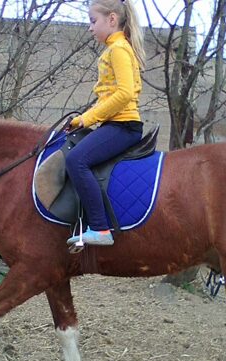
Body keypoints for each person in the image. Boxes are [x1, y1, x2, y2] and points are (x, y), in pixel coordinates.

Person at [66, 0, 145, 247]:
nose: (90, 27)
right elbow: (109, 97)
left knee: (76, 160)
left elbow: (124, 94)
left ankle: (100, 228)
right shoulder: (115, 48)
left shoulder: (118, 49)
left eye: (93, 21)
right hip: (116, 124)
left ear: (112, 19)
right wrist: (83, 119)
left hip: (123, 126)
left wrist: (87, 118)